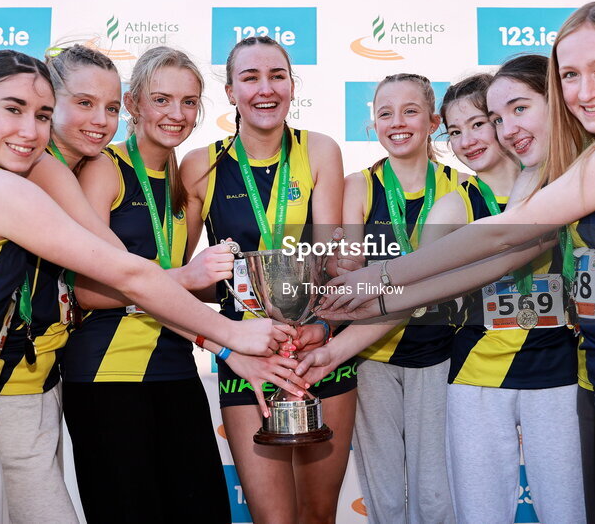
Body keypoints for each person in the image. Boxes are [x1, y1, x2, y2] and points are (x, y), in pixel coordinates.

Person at [317, 0, 595, 523]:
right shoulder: (583, 160)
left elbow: (502, 236)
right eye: (570, 75)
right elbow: (506, 258)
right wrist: (381, 298)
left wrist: (378, 277)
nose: (584, 91)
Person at [0, 49, 294, 524]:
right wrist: (233, 338)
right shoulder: (8, 180)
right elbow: (124, 274)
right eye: (16, 110)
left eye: (39, 115)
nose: (30, 130)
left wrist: (223, 344)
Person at [62, 45, 263, 522]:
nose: (177, 114)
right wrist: (190, 279)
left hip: (174, 365)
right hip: (108, 376)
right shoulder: (102, 168)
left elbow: (179, 289)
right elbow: (89, 291)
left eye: (189, 102)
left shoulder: (180, 177)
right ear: (133, 104)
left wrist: (269, 290)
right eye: (162, 99)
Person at [180, 35, 355, 524]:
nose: (265, 88)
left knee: (319, 514)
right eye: (250, 77)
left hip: (318, 351)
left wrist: (319, 327)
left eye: (277, 75)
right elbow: (182, 278)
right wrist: (230, 335)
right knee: (272, 518)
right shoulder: (201, 164)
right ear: (231, 91)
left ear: (292, 85)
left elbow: (330, 260)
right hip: (246, 359)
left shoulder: (320, 150)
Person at [440, 63, 583, 523]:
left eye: (481, 123)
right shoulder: (454, 202)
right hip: (477, 373)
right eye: (453, 131)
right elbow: (422, 287)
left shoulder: (568, 186)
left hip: (558, 371)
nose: (468, 141)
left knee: (569, 511)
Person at [0, 43, 120, 524]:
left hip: (43, 378)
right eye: (84, 103)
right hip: (3, 386)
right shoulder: (34, 167)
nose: (102, 120)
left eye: (112, 108)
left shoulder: (77, 168)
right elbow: (120, 267)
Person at [340, 73, 461, 523]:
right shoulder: (359, 185)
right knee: (385, 495)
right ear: (373, 123)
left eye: (410, 111)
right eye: (385, 113)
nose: (397, 122)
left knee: (435, 495)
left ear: (433, 121)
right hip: (372, 352)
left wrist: (375, 276)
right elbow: (348, 270)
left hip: (440, 354)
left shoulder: (460, 186)